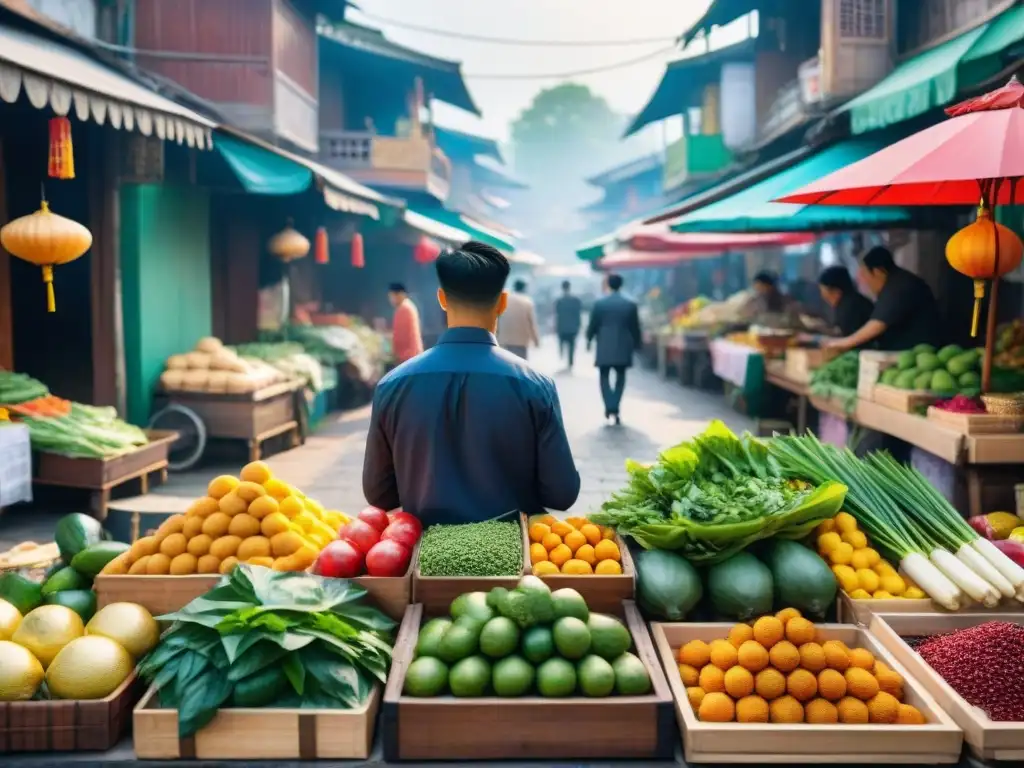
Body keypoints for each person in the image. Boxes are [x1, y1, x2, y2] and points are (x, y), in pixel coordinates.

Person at [362, 241, 580, 525]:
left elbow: (379, 495)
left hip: (422, 556)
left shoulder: (393, 385)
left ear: (442, 299)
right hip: (510, 557)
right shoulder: (535, 386)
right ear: (501, 302)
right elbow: (562, 494)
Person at [825, 246, 941, 352]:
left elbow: (877, 324)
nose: (866, 283)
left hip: (921, 354)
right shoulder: (896, 283)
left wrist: (844, 343)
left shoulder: (899, 286)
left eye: (866, 276)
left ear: (878, 272)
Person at [586, 273, 641, 425]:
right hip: (624, 344)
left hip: (604, 344)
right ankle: (615, 406)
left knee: (603, 376)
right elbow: (635, 327)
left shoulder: (600, 304)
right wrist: (638, 345)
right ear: (621, 285)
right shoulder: (630, 304)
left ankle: (609, 405)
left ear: (609, 284)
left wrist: (589, 339)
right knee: (620, 377)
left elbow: (593, 324)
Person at [818, 265, 875, 338]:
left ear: (836, 291)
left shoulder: (848, 308)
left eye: (822, 290)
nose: (822, 296)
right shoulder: (853, 300)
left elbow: (847, 338)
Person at [497, 279, 540, 359]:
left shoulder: (504, 299)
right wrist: (536, 340)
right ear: (524, 288)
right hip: (521, 341)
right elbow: (531, 323)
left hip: (504, 340)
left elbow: (497, 318)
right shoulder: (527, 302)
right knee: (520, 366)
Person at [388, 283, 423, 364]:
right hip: (414, 355)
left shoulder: (403, 309)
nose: (390, 299)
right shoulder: (409, 306)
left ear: (400, 294)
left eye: (391, 296)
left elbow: (399, 337)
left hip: (407, 357)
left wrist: (394, 354)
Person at [554, 280, 583, 370]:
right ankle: (570, 362)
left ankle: (562, 356)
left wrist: (556, 326)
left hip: (562, 326)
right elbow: (578, 314)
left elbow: (557, 314)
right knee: (572, 345)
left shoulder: (559, 301)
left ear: (562, 288)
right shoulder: (576, 300)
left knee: (562, 343)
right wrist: (579, 325)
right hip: (573, 327)